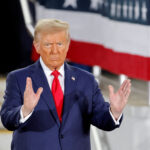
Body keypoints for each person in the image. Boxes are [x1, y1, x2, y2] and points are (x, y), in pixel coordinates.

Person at [0, 18, 131, 150]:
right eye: (48, 44)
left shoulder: (86, 80)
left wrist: (114, 112)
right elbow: (7, 120)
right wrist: (25, 110)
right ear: (37, 46)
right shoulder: (18, 78)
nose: (55, 50)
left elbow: (102, 120)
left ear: (68, 45)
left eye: (60, 44)